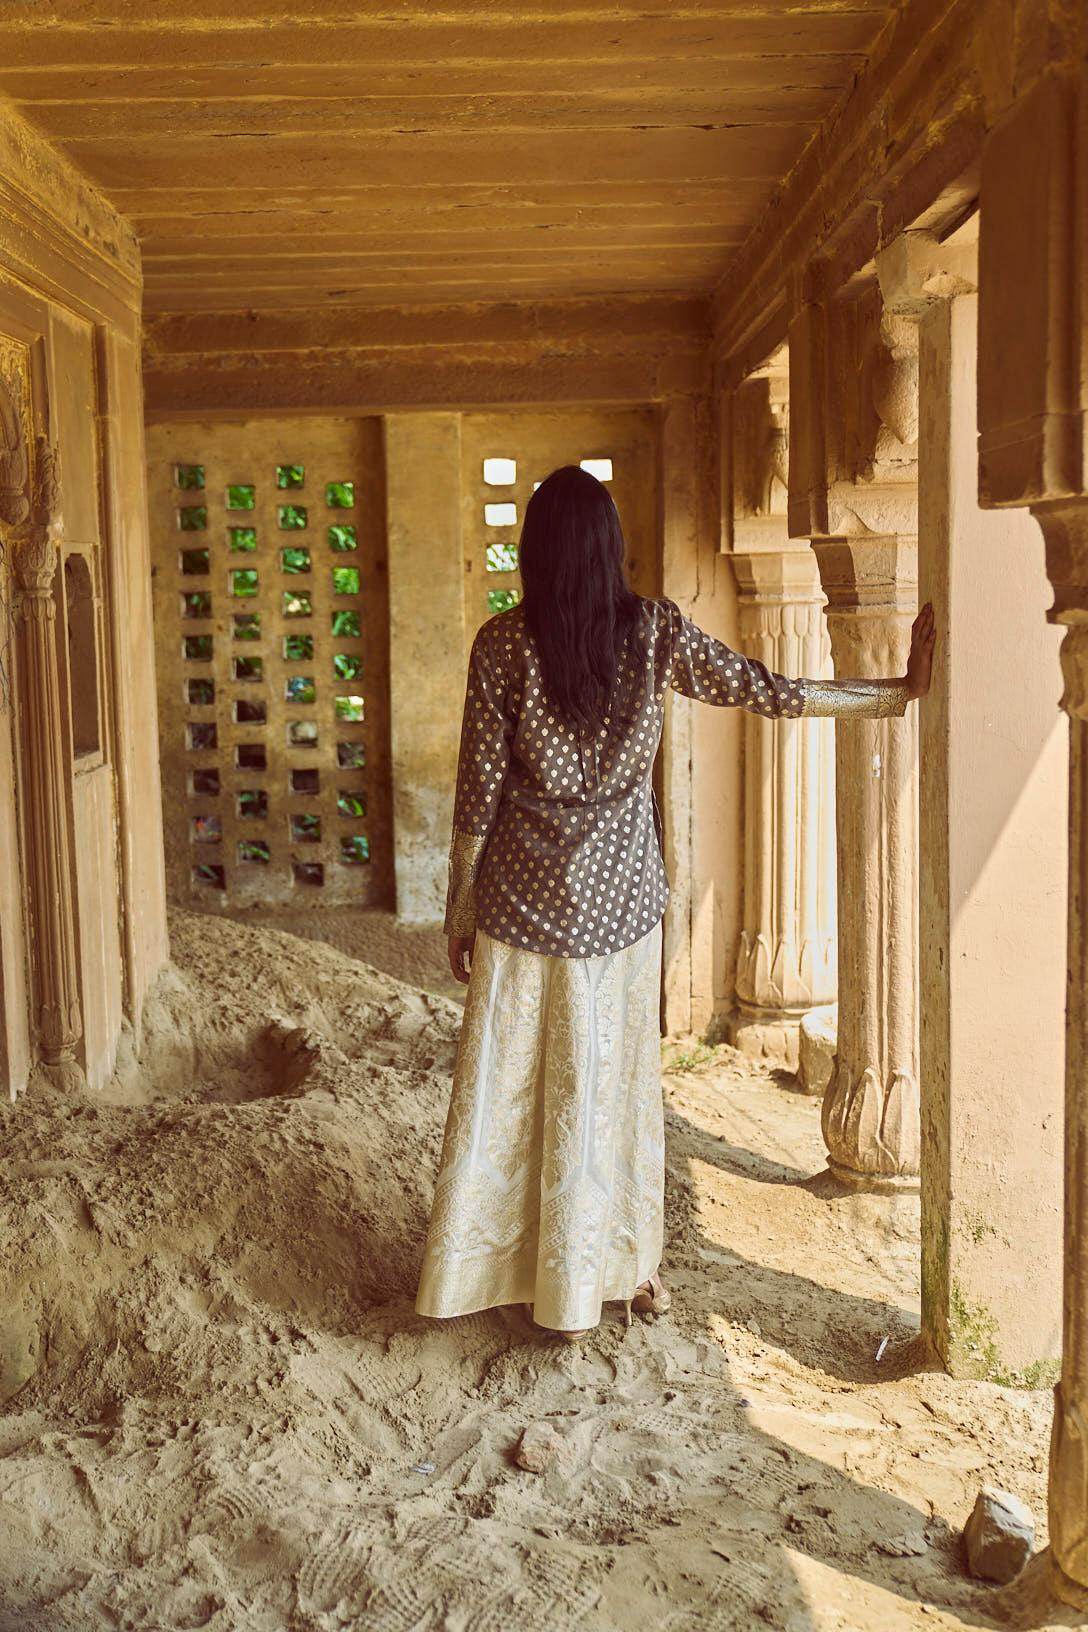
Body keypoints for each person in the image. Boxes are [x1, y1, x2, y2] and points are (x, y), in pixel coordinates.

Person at [415, 465, 936, 1340]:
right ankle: (618, 1268)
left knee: (514, 1091)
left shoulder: (502, 644)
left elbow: (477, 797)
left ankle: (501, 1273)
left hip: (522, 908)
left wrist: (460, 913)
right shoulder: (654, 632)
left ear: (534, 553)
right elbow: (769, 691)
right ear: (610, 549)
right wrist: (892, 696)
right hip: (622, 912)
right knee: (612, 1091)